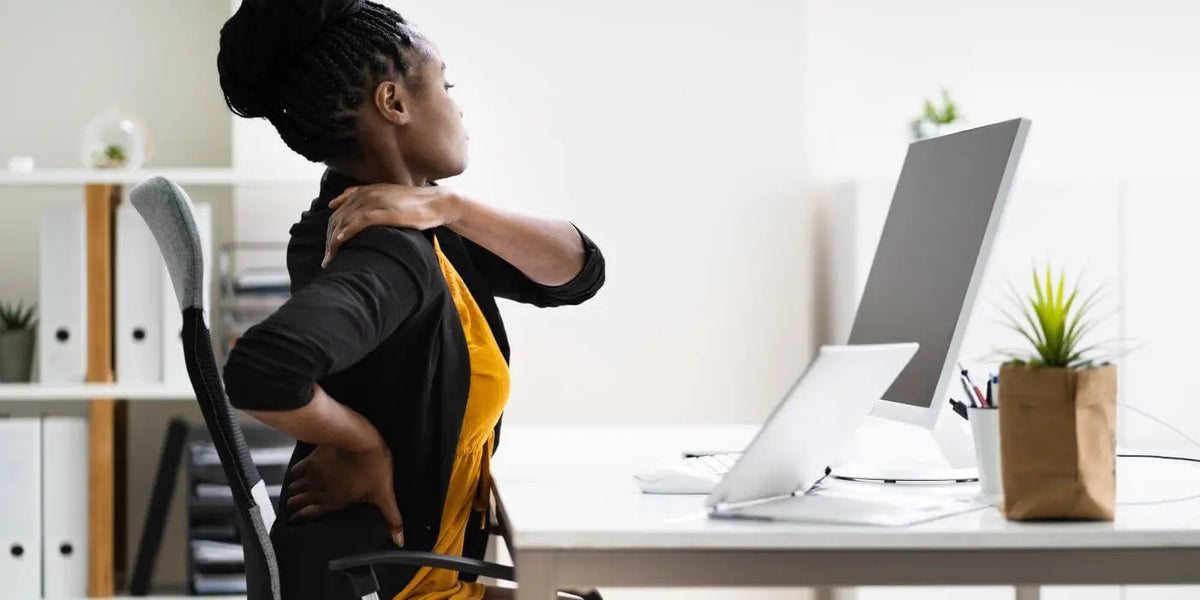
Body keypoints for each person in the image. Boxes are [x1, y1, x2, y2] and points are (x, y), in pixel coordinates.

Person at [216, 1, 606, 598]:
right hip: (395, 580)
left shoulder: (412, 221)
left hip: (415, 570)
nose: (457, 106)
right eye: (445, 85)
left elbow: (576, 272)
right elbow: (263, 367)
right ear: (394, 103)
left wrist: (449, 206)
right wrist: (359, 442)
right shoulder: (386, 248)